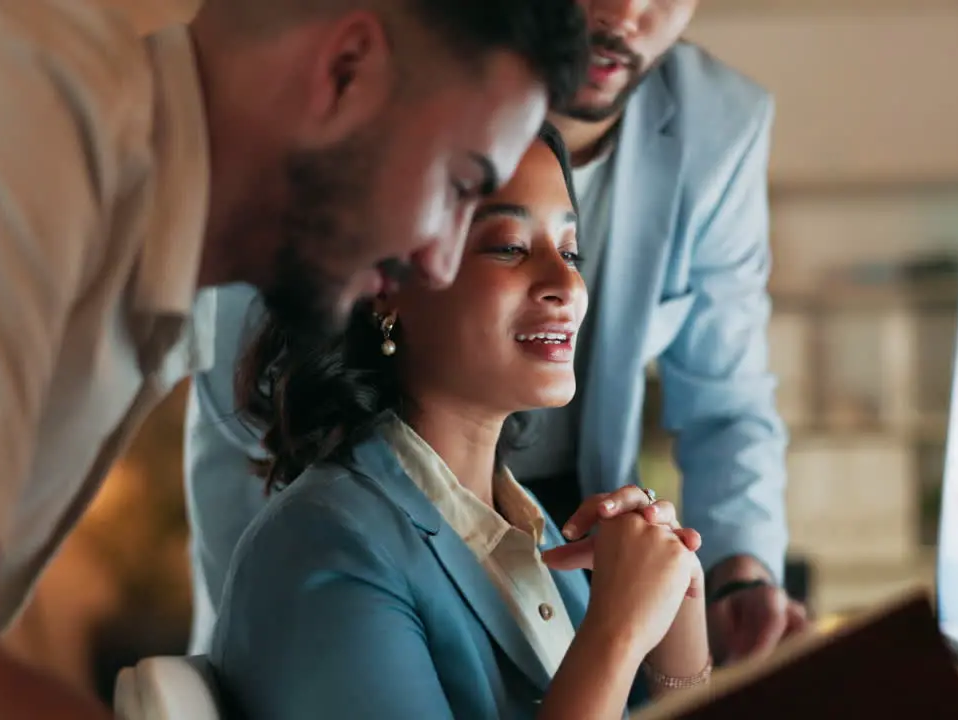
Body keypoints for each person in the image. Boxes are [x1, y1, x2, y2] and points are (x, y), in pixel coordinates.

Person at [0, 0, 589, 715]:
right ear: (347, 70)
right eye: (458, 185)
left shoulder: (166, 281)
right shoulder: (16, 105)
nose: (437, 260)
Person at [186, 0, 808, 663]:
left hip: (551, 536)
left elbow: (728, 403)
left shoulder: (720, 128)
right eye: (506, 244)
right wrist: (269, 648)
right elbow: (255, 408)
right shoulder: (389, 81)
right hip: (357, 502)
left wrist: (726, 581)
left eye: (573, 254)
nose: (627, 11)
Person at [210, 124, 712, 719]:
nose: (565, 284)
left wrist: (677, 613)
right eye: (509, 246)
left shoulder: (535, 532)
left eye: (571, 252)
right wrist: (618, 634)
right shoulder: (324, 544)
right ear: (384, 286)